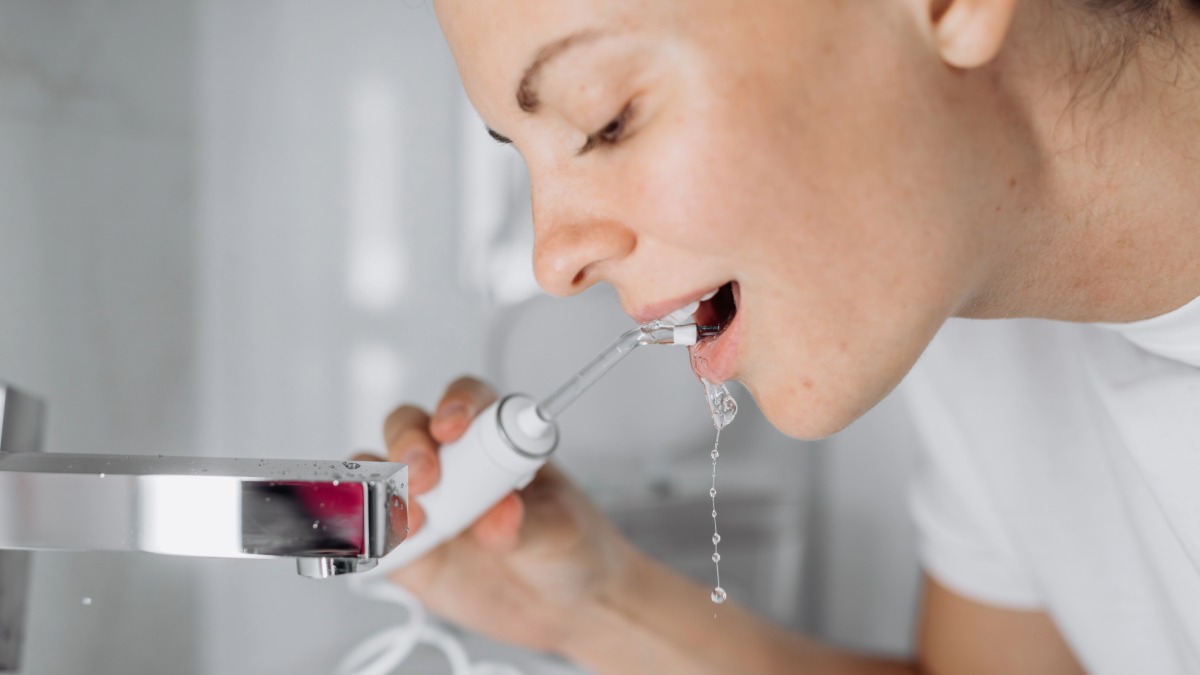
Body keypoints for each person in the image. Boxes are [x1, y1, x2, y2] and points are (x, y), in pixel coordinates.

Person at [365, 0, 1200, 672]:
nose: (553, 261)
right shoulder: (973, 321)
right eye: (523, 154)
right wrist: (594, 607)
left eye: (606, 119)